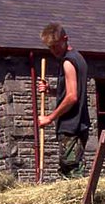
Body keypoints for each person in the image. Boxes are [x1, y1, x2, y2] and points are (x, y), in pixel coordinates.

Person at [35, 23, 90, 177]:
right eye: (50, 48)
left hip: (71, 126)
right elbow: (71, 90)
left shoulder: (68, 62)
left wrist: (49, 118)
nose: (54, 51)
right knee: (69, 169)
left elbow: (72, 96)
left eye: (56, 46)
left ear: (65, 39)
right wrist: (51, 90)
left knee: (72, 172)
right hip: (79, 124)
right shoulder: (78, 58)